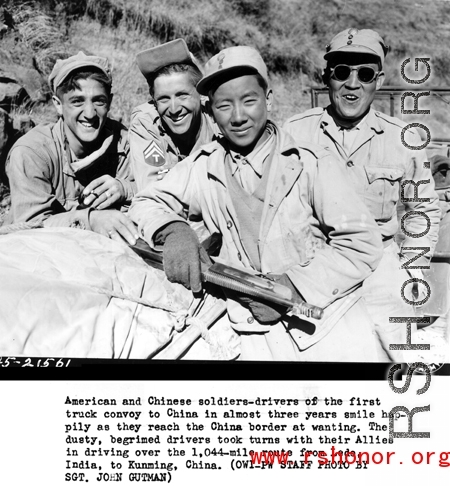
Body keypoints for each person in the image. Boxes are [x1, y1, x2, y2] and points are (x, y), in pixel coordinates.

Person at [129, 46, 386, 361]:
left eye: (249, 100)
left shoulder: (312, 162)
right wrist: (173, 229)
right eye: (224, 105)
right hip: (245, 332)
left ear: (269, 99)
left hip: (323, 328)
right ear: (210, 111)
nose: (238, 117)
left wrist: (294, 286)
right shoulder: (203, 165)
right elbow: (147, 200)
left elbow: (361, 242)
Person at [283, 28, 441, 361]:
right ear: (327, 77)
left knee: (398, 357)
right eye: (341, 72)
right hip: (314, 261)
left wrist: (411, 270)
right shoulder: (294, 133)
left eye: (364, 74)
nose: (352, 83)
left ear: (379, 81)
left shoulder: (403, 139)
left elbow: (422, 212)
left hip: (379, 266)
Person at [5, 51, 138, 245]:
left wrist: (125, 188)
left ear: (109, 101)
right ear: (58, 105)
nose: (90, 113)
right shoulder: (32, 152)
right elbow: (31, 230)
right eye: (77, 101)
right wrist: (89, 220)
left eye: (98, 101)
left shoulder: (125, 143)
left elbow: (162, 189)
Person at [130, 38, 220, 191]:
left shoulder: (218, 117)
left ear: (200, 94)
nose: (174, 109)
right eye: (163, 98)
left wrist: (174, 178)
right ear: (154, 100)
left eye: (182, 95)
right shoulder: (147, 123)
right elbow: (153, 192)